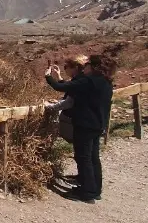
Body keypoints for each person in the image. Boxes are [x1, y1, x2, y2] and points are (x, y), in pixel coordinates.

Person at [45, 53, 115, 203]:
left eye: (87, 65)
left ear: (94, 67)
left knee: (84, 158)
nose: (85, 69)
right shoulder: (105, 81)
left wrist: (48, 76)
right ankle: (95, 189)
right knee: (93, 157)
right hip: (98, 124)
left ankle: (87, 192)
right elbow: (73, 89)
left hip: (85, 124)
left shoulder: (89, 81)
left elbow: (59, 87)